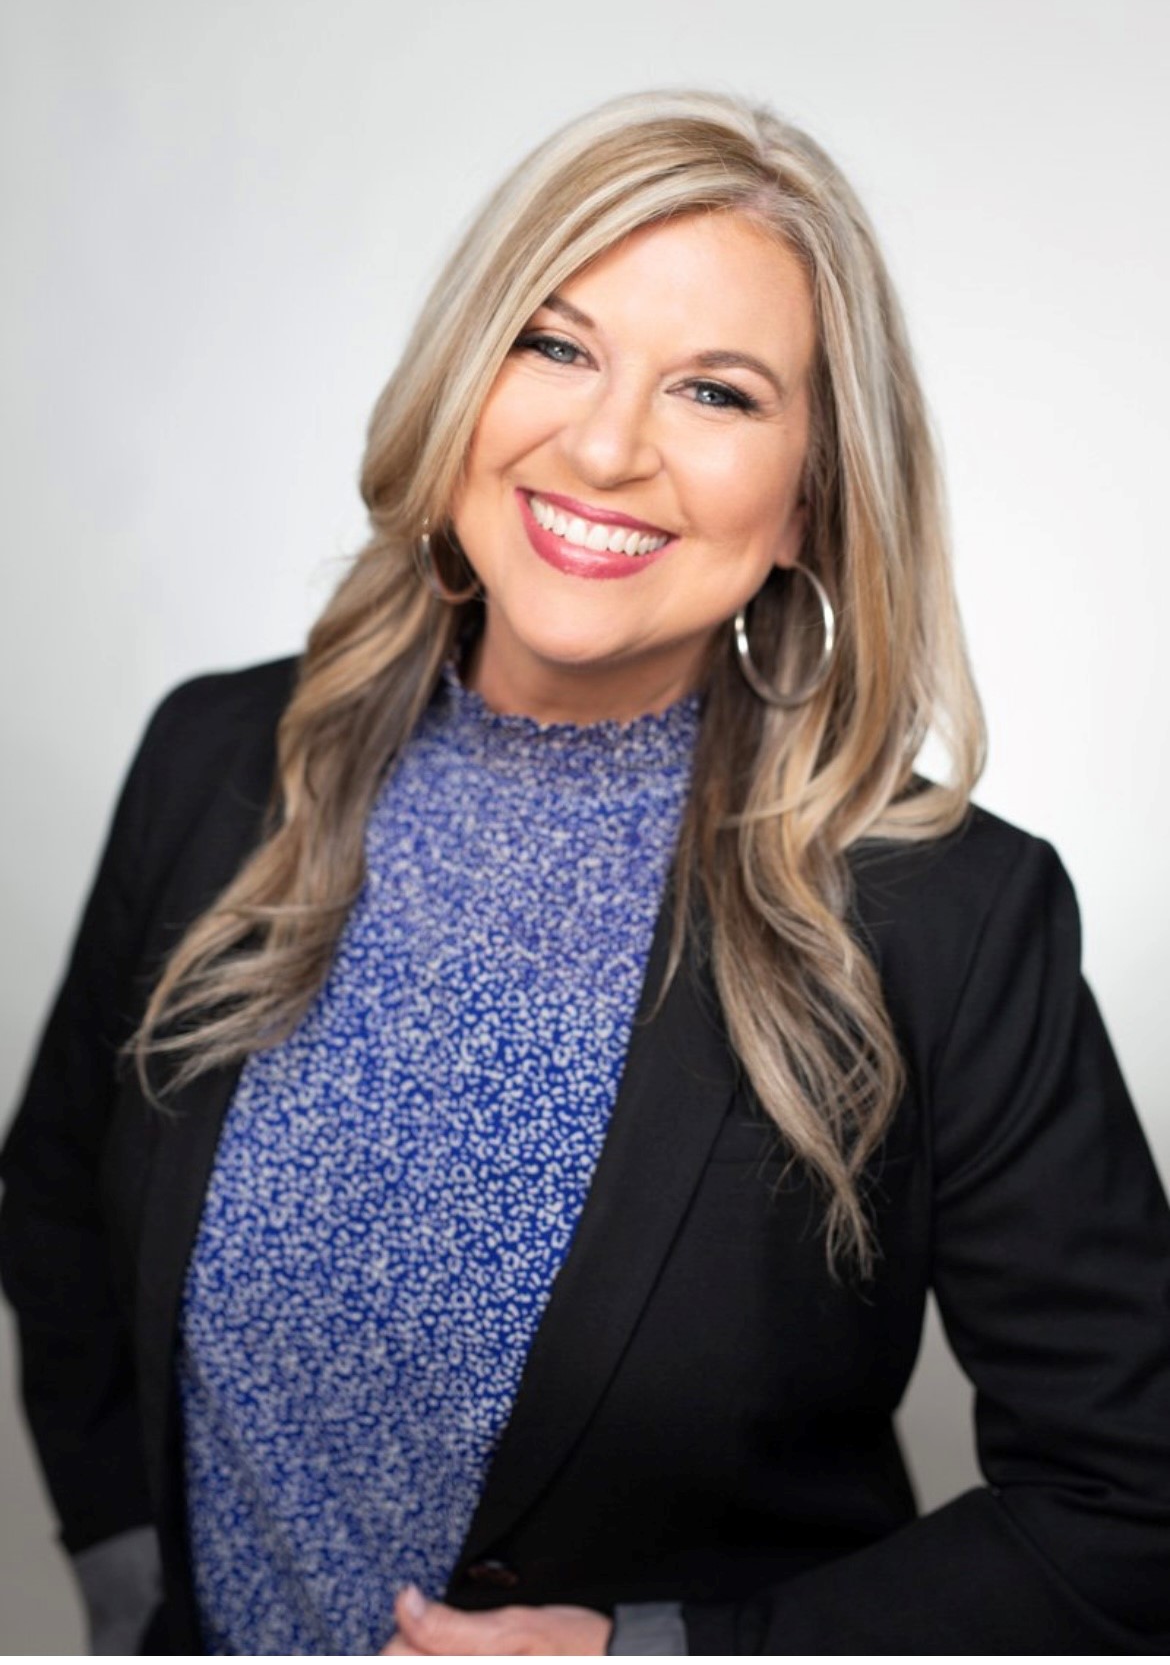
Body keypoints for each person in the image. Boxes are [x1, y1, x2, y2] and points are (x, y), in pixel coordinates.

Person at [2, 87, 1169, 1658]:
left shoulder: (948, 914)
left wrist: (660, 1656)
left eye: (716, 391)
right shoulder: (218, 758)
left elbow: (1126, 1503)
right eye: (554, 345)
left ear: (809, 494)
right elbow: (59, 1197)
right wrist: (129, 1571)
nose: (607, 446)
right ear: (461, 379)